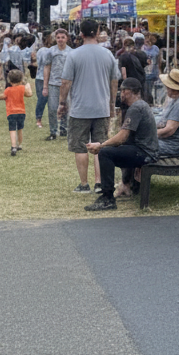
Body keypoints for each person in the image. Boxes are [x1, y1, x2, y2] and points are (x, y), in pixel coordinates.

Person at [60, 19, 118, 194]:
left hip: (80, 108)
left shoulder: (74, 55)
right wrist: (112, 104)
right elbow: (114, 81)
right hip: (101, 107)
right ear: (98, 31)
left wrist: (62, 102)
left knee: (80, 146)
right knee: (100, 146)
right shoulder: (108, 55)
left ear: (81, 34)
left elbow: (65, 82)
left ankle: (84, 184)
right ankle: (99, 183)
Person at [84, 78, 157, 211]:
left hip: (145, 153)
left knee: (105, 153)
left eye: (123, 90)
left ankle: (107, 198)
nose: (121, 93)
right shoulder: (140, 105)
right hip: (145, 150)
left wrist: (101, 146)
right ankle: (125, 185)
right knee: (114, 150)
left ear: (131, 92)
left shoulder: (136, 108)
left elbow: (122, 137)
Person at [0, 69, 34, 156]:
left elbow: (1, 96)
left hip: (11, 112)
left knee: (12, 129)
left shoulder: (8, 90)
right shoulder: (22, 88)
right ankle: (19, 144)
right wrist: (28, 86)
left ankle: (13, 146)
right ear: (21, 79)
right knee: (20, 129)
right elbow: (29, 94)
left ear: (9, 80)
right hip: (21, 112)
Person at [41, 29, 71, 140]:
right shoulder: (51, 51)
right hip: (53, 83)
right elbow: (47, 67)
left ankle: (65, 129)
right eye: (58, 37)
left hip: (67, 84)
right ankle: (53, 131)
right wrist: (45, 85)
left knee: (67, 107)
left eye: (63, 37)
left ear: (66, 38)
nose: (60, 40)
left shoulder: (71, 52)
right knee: (52, 108)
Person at [141, 33, 161, 102]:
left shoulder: (155, 48)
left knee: (155, 92)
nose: (147, 40)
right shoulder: (141, 48)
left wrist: (159, 71)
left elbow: (159, 60)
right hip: (146, 74)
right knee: (147, 93)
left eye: (148, 38)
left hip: (154, 73)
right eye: (145, 38)